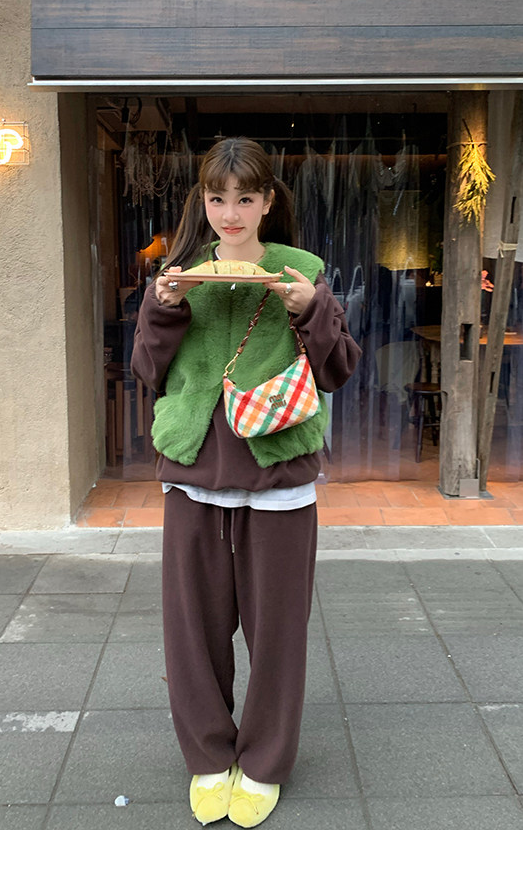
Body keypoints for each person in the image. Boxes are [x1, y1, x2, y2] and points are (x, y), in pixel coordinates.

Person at [131, 137, 361, 829]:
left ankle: (262, 764)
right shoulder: (180, 274)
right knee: (192, 634)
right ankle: (208, 757)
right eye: (217, 198)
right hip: (194, 476)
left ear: (267, 202)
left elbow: (339, 369)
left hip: (279, 477)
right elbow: (147, 371)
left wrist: (309, 309)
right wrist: (165, 307)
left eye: (245, 197)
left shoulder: (302, 273)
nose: (230, 213)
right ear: (202, 201)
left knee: (277, 634)